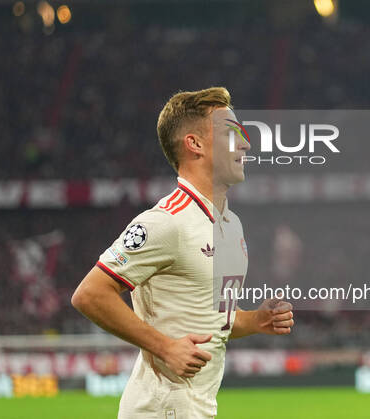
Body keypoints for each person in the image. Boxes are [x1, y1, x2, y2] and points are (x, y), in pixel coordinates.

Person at [71, 87, 294, 418]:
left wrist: (255, 320)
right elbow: (89, 295)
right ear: (195, 144)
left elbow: (210, 319)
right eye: (232, 133)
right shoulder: (166, 222)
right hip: (161, 407)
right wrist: (164, 347)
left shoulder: (231, 225)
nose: (245, 143)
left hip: (196, 407)